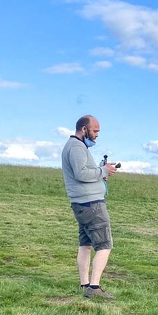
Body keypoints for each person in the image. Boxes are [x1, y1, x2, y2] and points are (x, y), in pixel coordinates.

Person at [61, 115, 118, 300]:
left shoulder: (76, 146)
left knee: (85, 244)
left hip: (82, 203)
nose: (97, 135)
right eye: (95, 131)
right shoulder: (77, 147)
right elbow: (81, 173)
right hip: (90, 204)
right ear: (84, 129)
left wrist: (101, 172)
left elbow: (86, 172)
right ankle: (94, 287)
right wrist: (103, 171)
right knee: (104, 244)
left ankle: (84, 284)